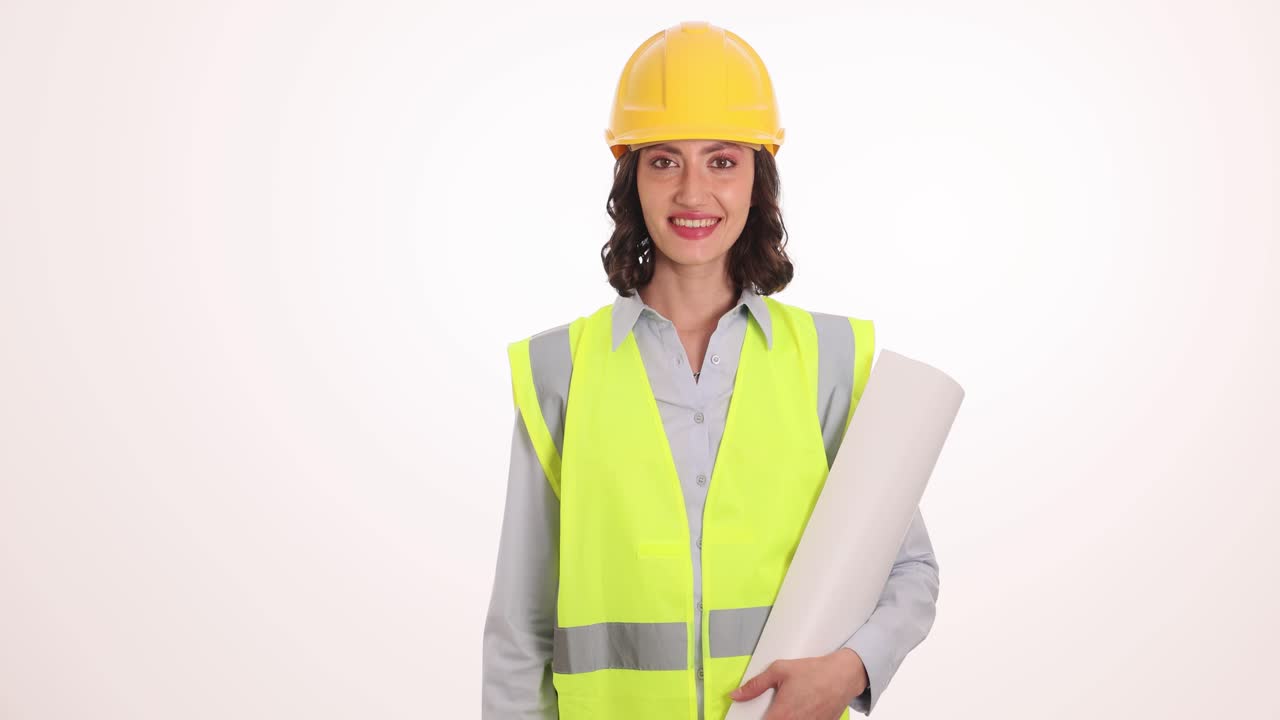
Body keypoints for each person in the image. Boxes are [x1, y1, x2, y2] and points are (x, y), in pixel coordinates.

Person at [482, 21, 939, 720]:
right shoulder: (560, 370)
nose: (694, 192)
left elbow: (908, 572)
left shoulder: (829, 361)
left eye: (722, 161)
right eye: (665, 161)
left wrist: (849, 671)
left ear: (759, 179)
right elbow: (521, 631)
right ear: (632, 179)